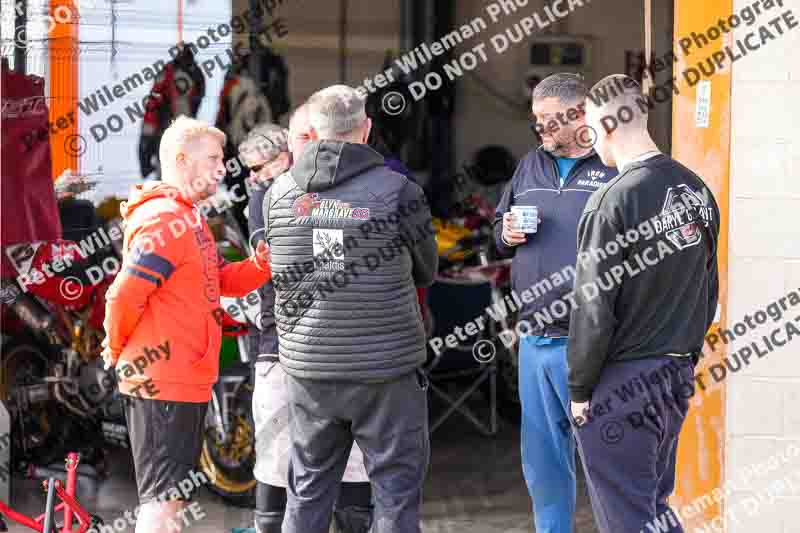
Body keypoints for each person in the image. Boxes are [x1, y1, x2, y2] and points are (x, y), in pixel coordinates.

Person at [264, 85, 437, 533]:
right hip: (387, 371)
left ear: (314, 130)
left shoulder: (277, 192)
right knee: (396, 495)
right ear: (367, 129)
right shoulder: (399, 191)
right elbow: (427, 270)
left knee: (307, 491)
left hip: (308, 370)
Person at [102, 116, 272, 533]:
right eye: (213, 159)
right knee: (161, 507)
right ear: (181, 161)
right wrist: (116, 347)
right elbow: (123, 294)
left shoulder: (189, 218)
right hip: (163, 381)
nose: (221, 167)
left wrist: (265, 262)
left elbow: (224, 280)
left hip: (184, 379)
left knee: (171, 502)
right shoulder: (164, 220)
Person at [567, 74, 720, 533]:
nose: (593, 146)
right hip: (674, 373)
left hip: (622, 381)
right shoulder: (696, 189)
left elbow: (592, 308)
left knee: (627, 519)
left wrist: (579, 389)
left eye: (592, 131)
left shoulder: (612, 200)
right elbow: (708, 287)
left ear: (609, 123)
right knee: (652, 507)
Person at [493, 73, 616, 533]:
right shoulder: (530, 165)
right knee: (543, 464)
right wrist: (505, 233)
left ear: (580, 114)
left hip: (592, 341)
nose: (540, 128)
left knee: (607, 459)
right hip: (533, 338)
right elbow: (500, 234)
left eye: (548, 119)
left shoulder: (615, 168)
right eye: (536, 119)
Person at [239, 113, 373, 533]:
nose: (255, 177)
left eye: (262, 166)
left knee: (349, 464)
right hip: (283, 348)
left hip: (330, 349)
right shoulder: (265, 197)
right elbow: (302, 264)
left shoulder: (332, 190)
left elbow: (329, 269)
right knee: (279, 463)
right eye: (251, 171)